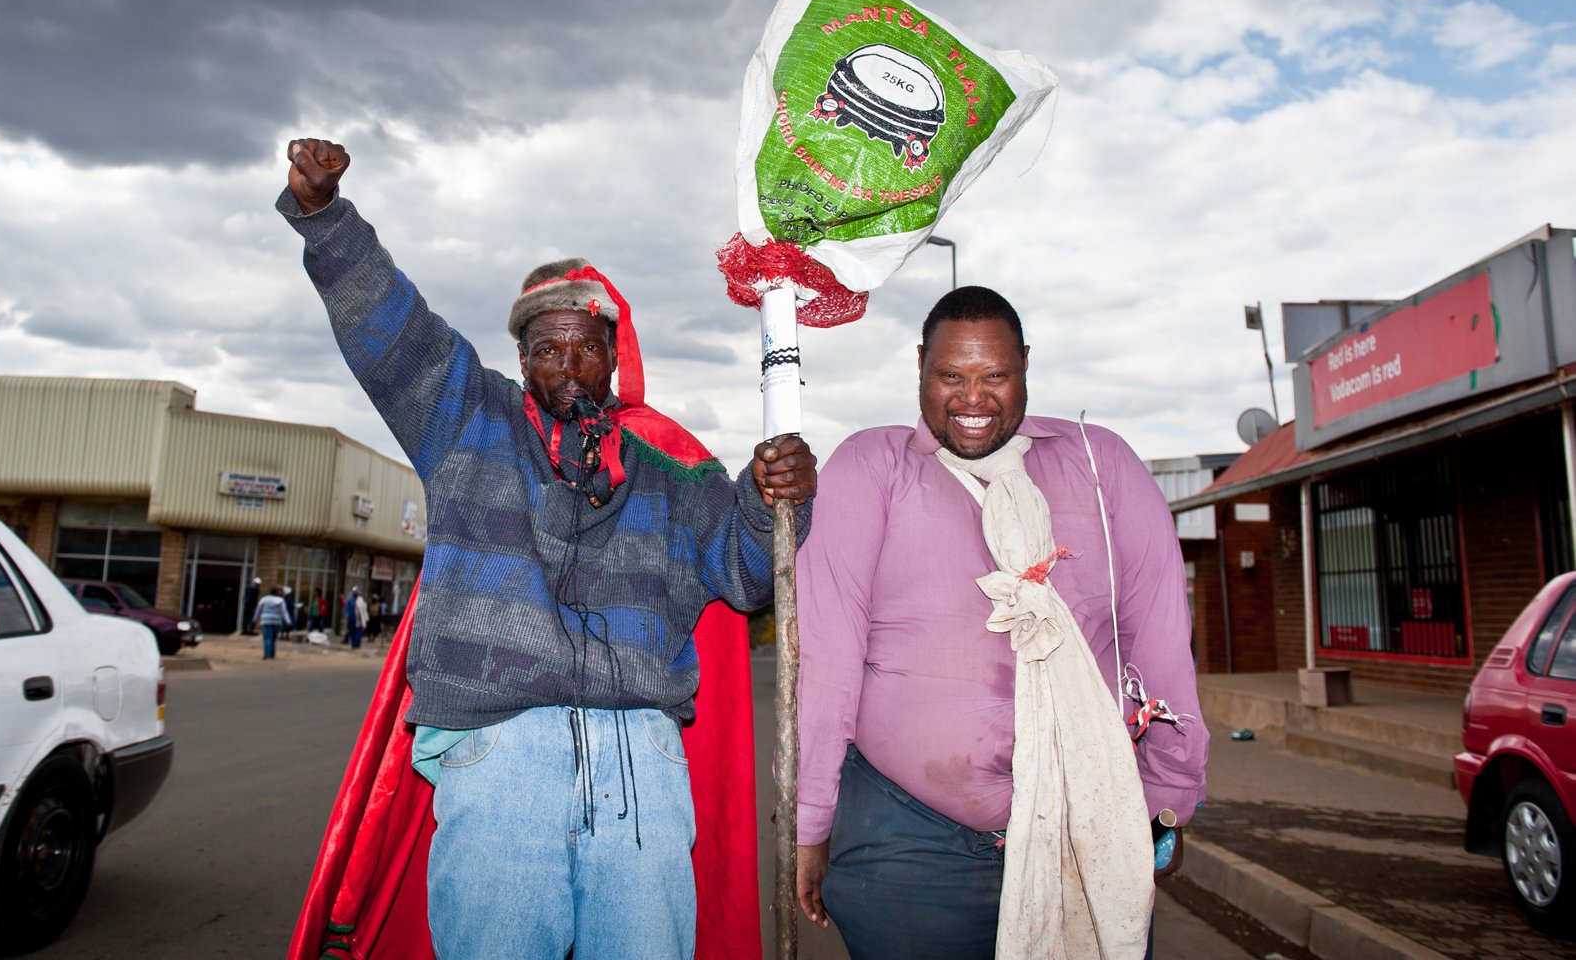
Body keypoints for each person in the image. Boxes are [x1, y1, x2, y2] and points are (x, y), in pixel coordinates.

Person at [278, 137, 815, 960]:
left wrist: (776, 495)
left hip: (640, 764)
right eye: (547, 349)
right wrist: (327, 219)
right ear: (522, 360)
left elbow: (747, 574)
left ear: (611, 356)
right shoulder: (467, 425)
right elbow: (396, 331)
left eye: (585, 346)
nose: (568, 364)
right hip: (501, 760)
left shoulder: (673, 471)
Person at [796, 287, 1207, 960]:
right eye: (951, 376)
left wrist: (1167, 800)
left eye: (995, 377)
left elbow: (1159, 643)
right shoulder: (871, 468)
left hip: (1088, 823)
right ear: (921, 366)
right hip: (908, 847)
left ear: (1025, 366)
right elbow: (827, 664)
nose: (972, 399)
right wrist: (811, 822)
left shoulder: (1103, 469)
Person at [253, 585, 292, 659]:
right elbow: (284, 612)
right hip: (277, 621)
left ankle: (266, 654)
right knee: (273, 638)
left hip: (265, 620)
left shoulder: (264, 599)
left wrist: (254, 619)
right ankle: (272, 654)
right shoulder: (280, 600)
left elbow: (258, 610)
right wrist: (288, 621)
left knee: (267, 638)